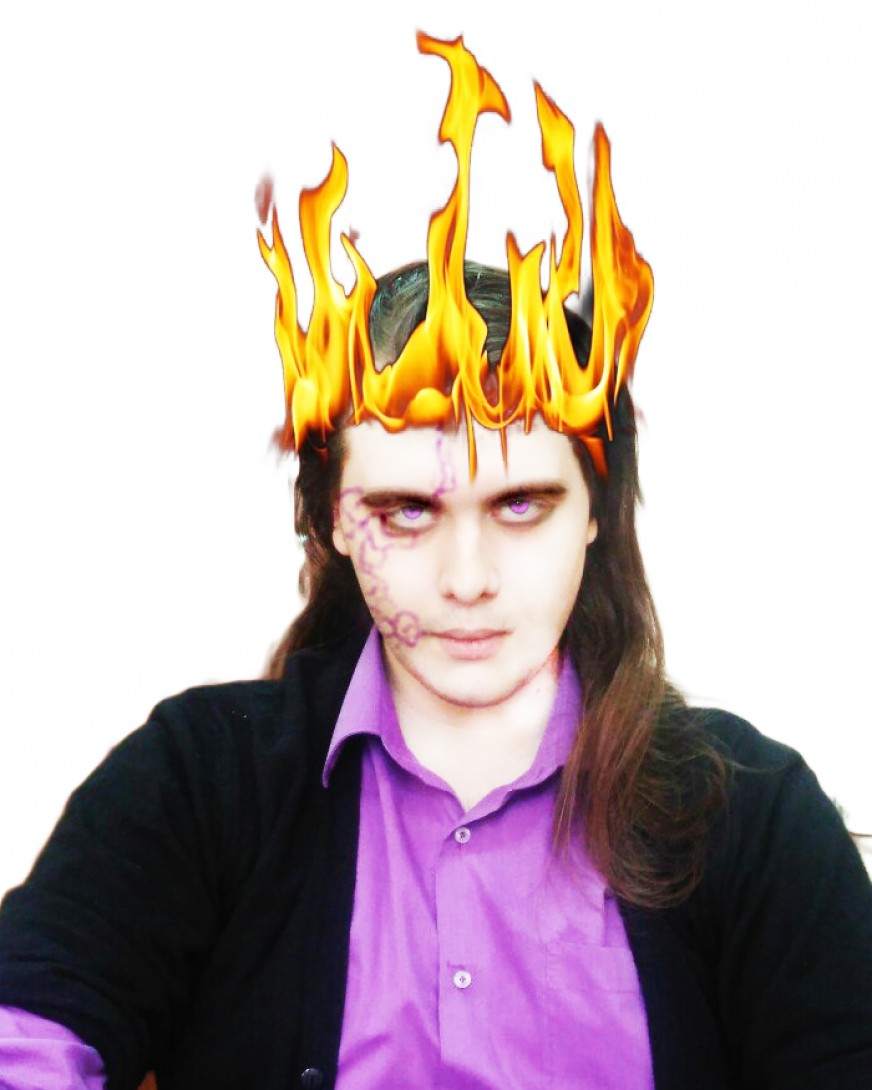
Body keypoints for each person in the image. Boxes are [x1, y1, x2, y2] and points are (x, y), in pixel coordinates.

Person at [2, 30, 871, 1090]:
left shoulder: (752, 814)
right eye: (406, 511)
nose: (467, 578)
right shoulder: (196, 780)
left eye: (520, 504)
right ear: (331, 518)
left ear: (594, 513)